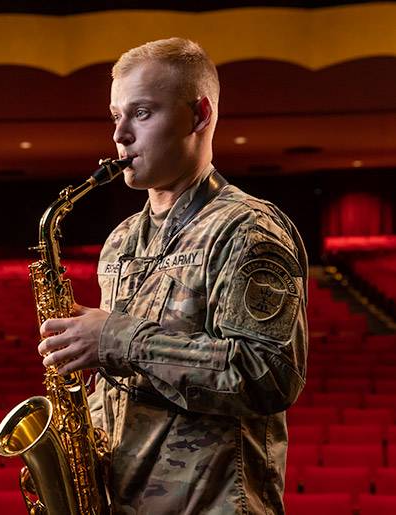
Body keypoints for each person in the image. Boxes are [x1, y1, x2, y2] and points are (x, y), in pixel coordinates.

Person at [37, 37, 308, 514]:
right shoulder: (121, 241)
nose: (120, 135)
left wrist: (118, 339)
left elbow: (268, 374)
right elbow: (125, 384)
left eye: (141, 113)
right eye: (115, 116)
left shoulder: (247, 229)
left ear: (199, 115)